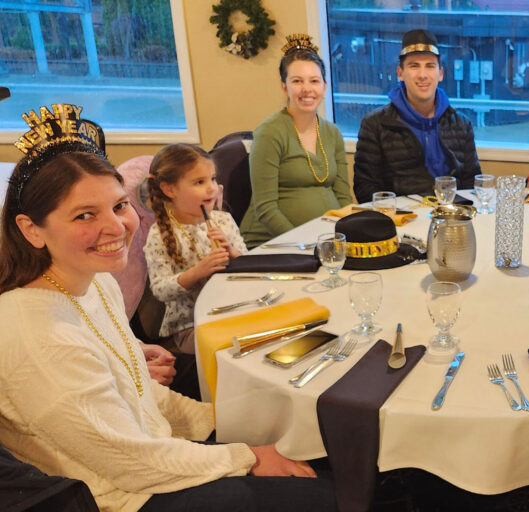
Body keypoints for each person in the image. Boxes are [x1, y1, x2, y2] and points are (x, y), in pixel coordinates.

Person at [0, 104, 335, 511]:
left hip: (157, 456)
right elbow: (129, 462)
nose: (116, 227)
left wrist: (221, 421)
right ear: (31, 229)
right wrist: (246, 455)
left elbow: (144, 397)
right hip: (123, 496)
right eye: (85, 215)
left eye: (119, 206)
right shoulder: (39, 337)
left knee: (321, 443)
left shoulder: (96, 282)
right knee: (330, 498)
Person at [241, 33, 352, 248]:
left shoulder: (332, 133)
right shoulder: (269, 133)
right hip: (274, 244)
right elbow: (265, 209)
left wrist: (346, 236)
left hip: (324, 242)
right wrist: (305, 245)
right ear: (285, 87)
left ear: (324, 87)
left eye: (314, 81)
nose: (307, 89)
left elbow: (343, 199)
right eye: (297, 81)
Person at [353, 29, 480, 203]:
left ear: (440, 74)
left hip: (452, 214)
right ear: (400, 73)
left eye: (430, 66)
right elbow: (365, 188)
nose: (422, 75)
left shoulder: (461, 124)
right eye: (414, 66)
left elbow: (472, 184)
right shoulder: (375, 124)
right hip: (400, 216)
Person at [144, 143, 246, 355]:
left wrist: (234, 255)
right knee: (235, 346)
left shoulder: (224, 220)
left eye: (213, 179)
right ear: (169, 189)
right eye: (200, 182)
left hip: (232, 310)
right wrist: (196, 273)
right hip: (190, 325)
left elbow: (248, 268)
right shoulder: (159, 234)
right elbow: (160, 290)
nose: (212, 188)